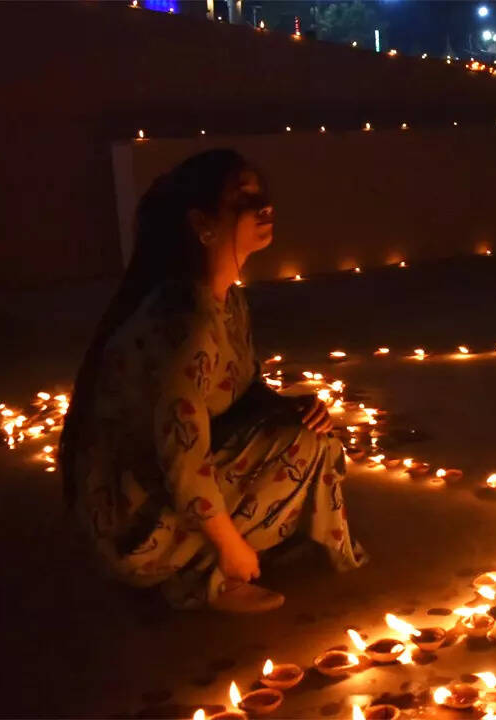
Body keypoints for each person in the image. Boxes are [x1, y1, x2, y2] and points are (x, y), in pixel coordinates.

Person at [59, 149, 366, 613]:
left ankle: (226, 548)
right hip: (134, 525)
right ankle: (200, 573)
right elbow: (181, 460)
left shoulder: (227, 303)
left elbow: (240, 388)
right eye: (245, 200)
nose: (266, 207)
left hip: (165, 482)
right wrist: (232, 547)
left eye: (263, 195)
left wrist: (288, 407)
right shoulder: (185, 323)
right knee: (302, 452)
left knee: (311, 438)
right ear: (203, 224)